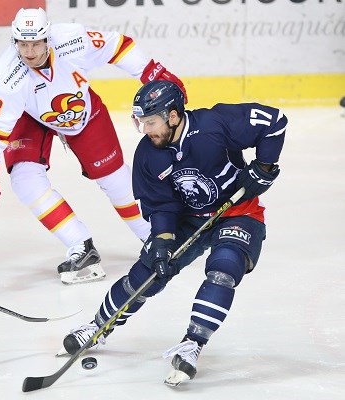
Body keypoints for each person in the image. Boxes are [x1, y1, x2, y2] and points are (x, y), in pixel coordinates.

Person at [61, 81, 287, 386]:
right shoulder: (148, 154)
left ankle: (193, 343)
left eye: (150, 122)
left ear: (173, 116)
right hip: (188, 219)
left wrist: (264, 165)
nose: (145, 129)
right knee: (147, 274)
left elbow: (274, 123)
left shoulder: (214, 124)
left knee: (223, 269)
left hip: (237, 211)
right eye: (140, 122)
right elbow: (161, 205)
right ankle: (98, 326)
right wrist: (163, 243)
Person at [0, 7, 187, 284]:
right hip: (30, 116)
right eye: (23, 44)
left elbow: (117, 46)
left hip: (81, 114)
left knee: (114, 178)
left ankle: (154, 236)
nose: (29, 51)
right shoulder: (6, 76)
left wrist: (150, 70)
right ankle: (80, 245)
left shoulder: (71, 39)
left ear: (48, 38)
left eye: (36, 42)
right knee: (24, 180)